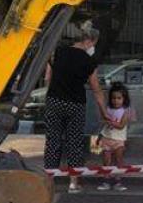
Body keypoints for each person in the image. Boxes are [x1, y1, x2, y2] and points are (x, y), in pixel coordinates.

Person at [44, 21, 107, 193]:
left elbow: (47, 78)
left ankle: (49, 182)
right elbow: (96, 90)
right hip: (76, 104)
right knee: (74, 142)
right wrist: (104, 112)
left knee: (53, 141)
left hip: (55, 101)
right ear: (91, 41)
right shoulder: (89, 61)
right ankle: (73, 183)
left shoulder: (58, 52)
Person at [97, 82, 136, 191]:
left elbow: (121, 126)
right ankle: (106, 181)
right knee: (106, 161)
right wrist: (100, 136)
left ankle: (118, 181)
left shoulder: (126, 111)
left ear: (124, 98)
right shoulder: (108, 109)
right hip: (106, 139)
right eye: (113, 98)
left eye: (119, 98)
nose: (116, 100)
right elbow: (104, 125)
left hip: (119, 141)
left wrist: (109, 121)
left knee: (119, 160)